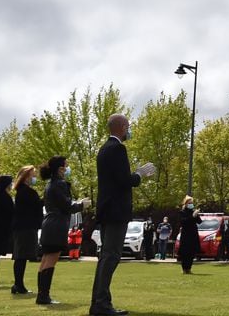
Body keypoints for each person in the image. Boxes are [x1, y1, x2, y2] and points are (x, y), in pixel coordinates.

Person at [90, 113, 155, 316]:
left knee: (106, 257)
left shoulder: (104, 149)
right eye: (128, 126)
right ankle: (101, 303)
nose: (129, 130)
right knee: (111, 256)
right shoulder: (117, 148)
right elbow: (124, 181)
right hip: (116, 210)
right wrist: (139, 174)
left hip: (108, 210)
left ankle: (99, 302)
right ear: (122, 127)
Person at [38, 156, 90, 306]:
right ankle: (44, 296)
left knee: (46, 259)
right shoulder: (59, 184)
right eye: (66, 166)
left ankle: (42, 294)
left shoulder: (50, 184)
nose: (67, 168)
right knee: (51, 259)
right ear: (60, 168)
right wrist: (81, 205)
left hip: (49, 223)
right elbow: (67, 206)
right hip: (57, 224)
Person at [11, 165, 43, 295]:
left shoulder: (22, 191)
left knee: (21, 257)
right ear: (26, 177)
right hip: (26, 227)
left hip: (22, 227)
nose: (34, 178)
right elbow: (36, 205)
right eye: (32, 175)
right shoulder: (27, 192)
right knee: (21, 257)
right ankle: (18, 285)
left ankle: (18, 284)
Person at [176, 196, 200, 274]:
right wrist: (192, 216)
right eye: (189, 203)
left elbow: (199, 221)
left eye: (192, 203)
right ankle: (184, 269)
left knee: (192, 252)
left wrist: (196, 215)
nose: (191, 204)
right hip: (186, 234)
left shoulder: (193, 211)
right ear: (186, 204)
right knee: (185, 252)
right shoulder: (182, 212)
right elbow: (183, 222)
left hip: (193, 234)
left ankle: (189, 268)